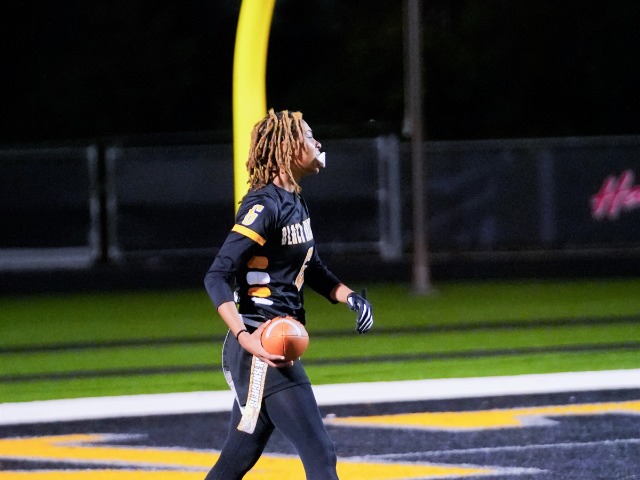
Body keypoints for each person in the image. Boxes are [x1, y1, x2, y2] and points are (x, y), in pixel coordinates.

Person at [203, 109, 373, 479]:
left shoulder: (294, 200)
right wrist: (245, 337)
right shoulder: (264, 205)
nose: (318, 143)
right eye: (309, 136)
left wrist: (349, 296)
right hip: (262, 347)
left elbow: (310, 266)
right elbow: (216, 275)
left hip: (268, 346)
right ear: (289, 148)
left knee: (237, 458)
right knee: (321, 455)